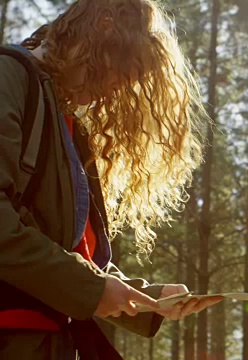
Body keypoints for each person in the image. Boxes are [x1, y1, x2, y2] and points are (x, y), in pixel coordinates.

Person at [0, 0, 221, 358]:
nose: (114, 89)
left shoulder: (64, 122)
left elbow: (68, 256)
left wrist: (147, 297)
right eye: (121, 71)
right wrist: (91, 288)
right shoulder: (9, 78)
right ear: (103, 27)